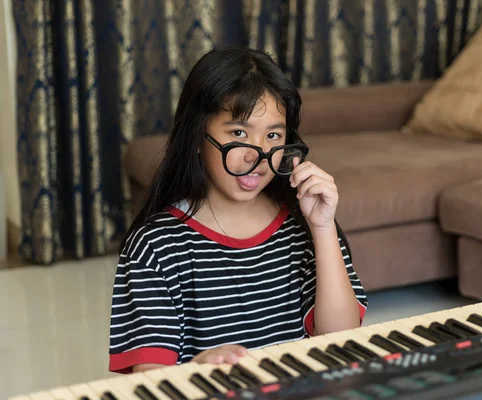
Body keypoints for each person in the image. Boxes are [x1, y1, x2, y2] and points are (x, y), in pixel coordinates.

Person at [109, 47, 368, 374]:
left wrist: (322, 228)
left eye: (273, 135)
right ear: (197, 135)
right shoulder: (155, 246)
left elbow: (342, 342)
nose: (258, 155)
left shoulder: (305, 226)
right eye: (239, 133)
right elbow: (148, 379)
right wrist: (197, 367)